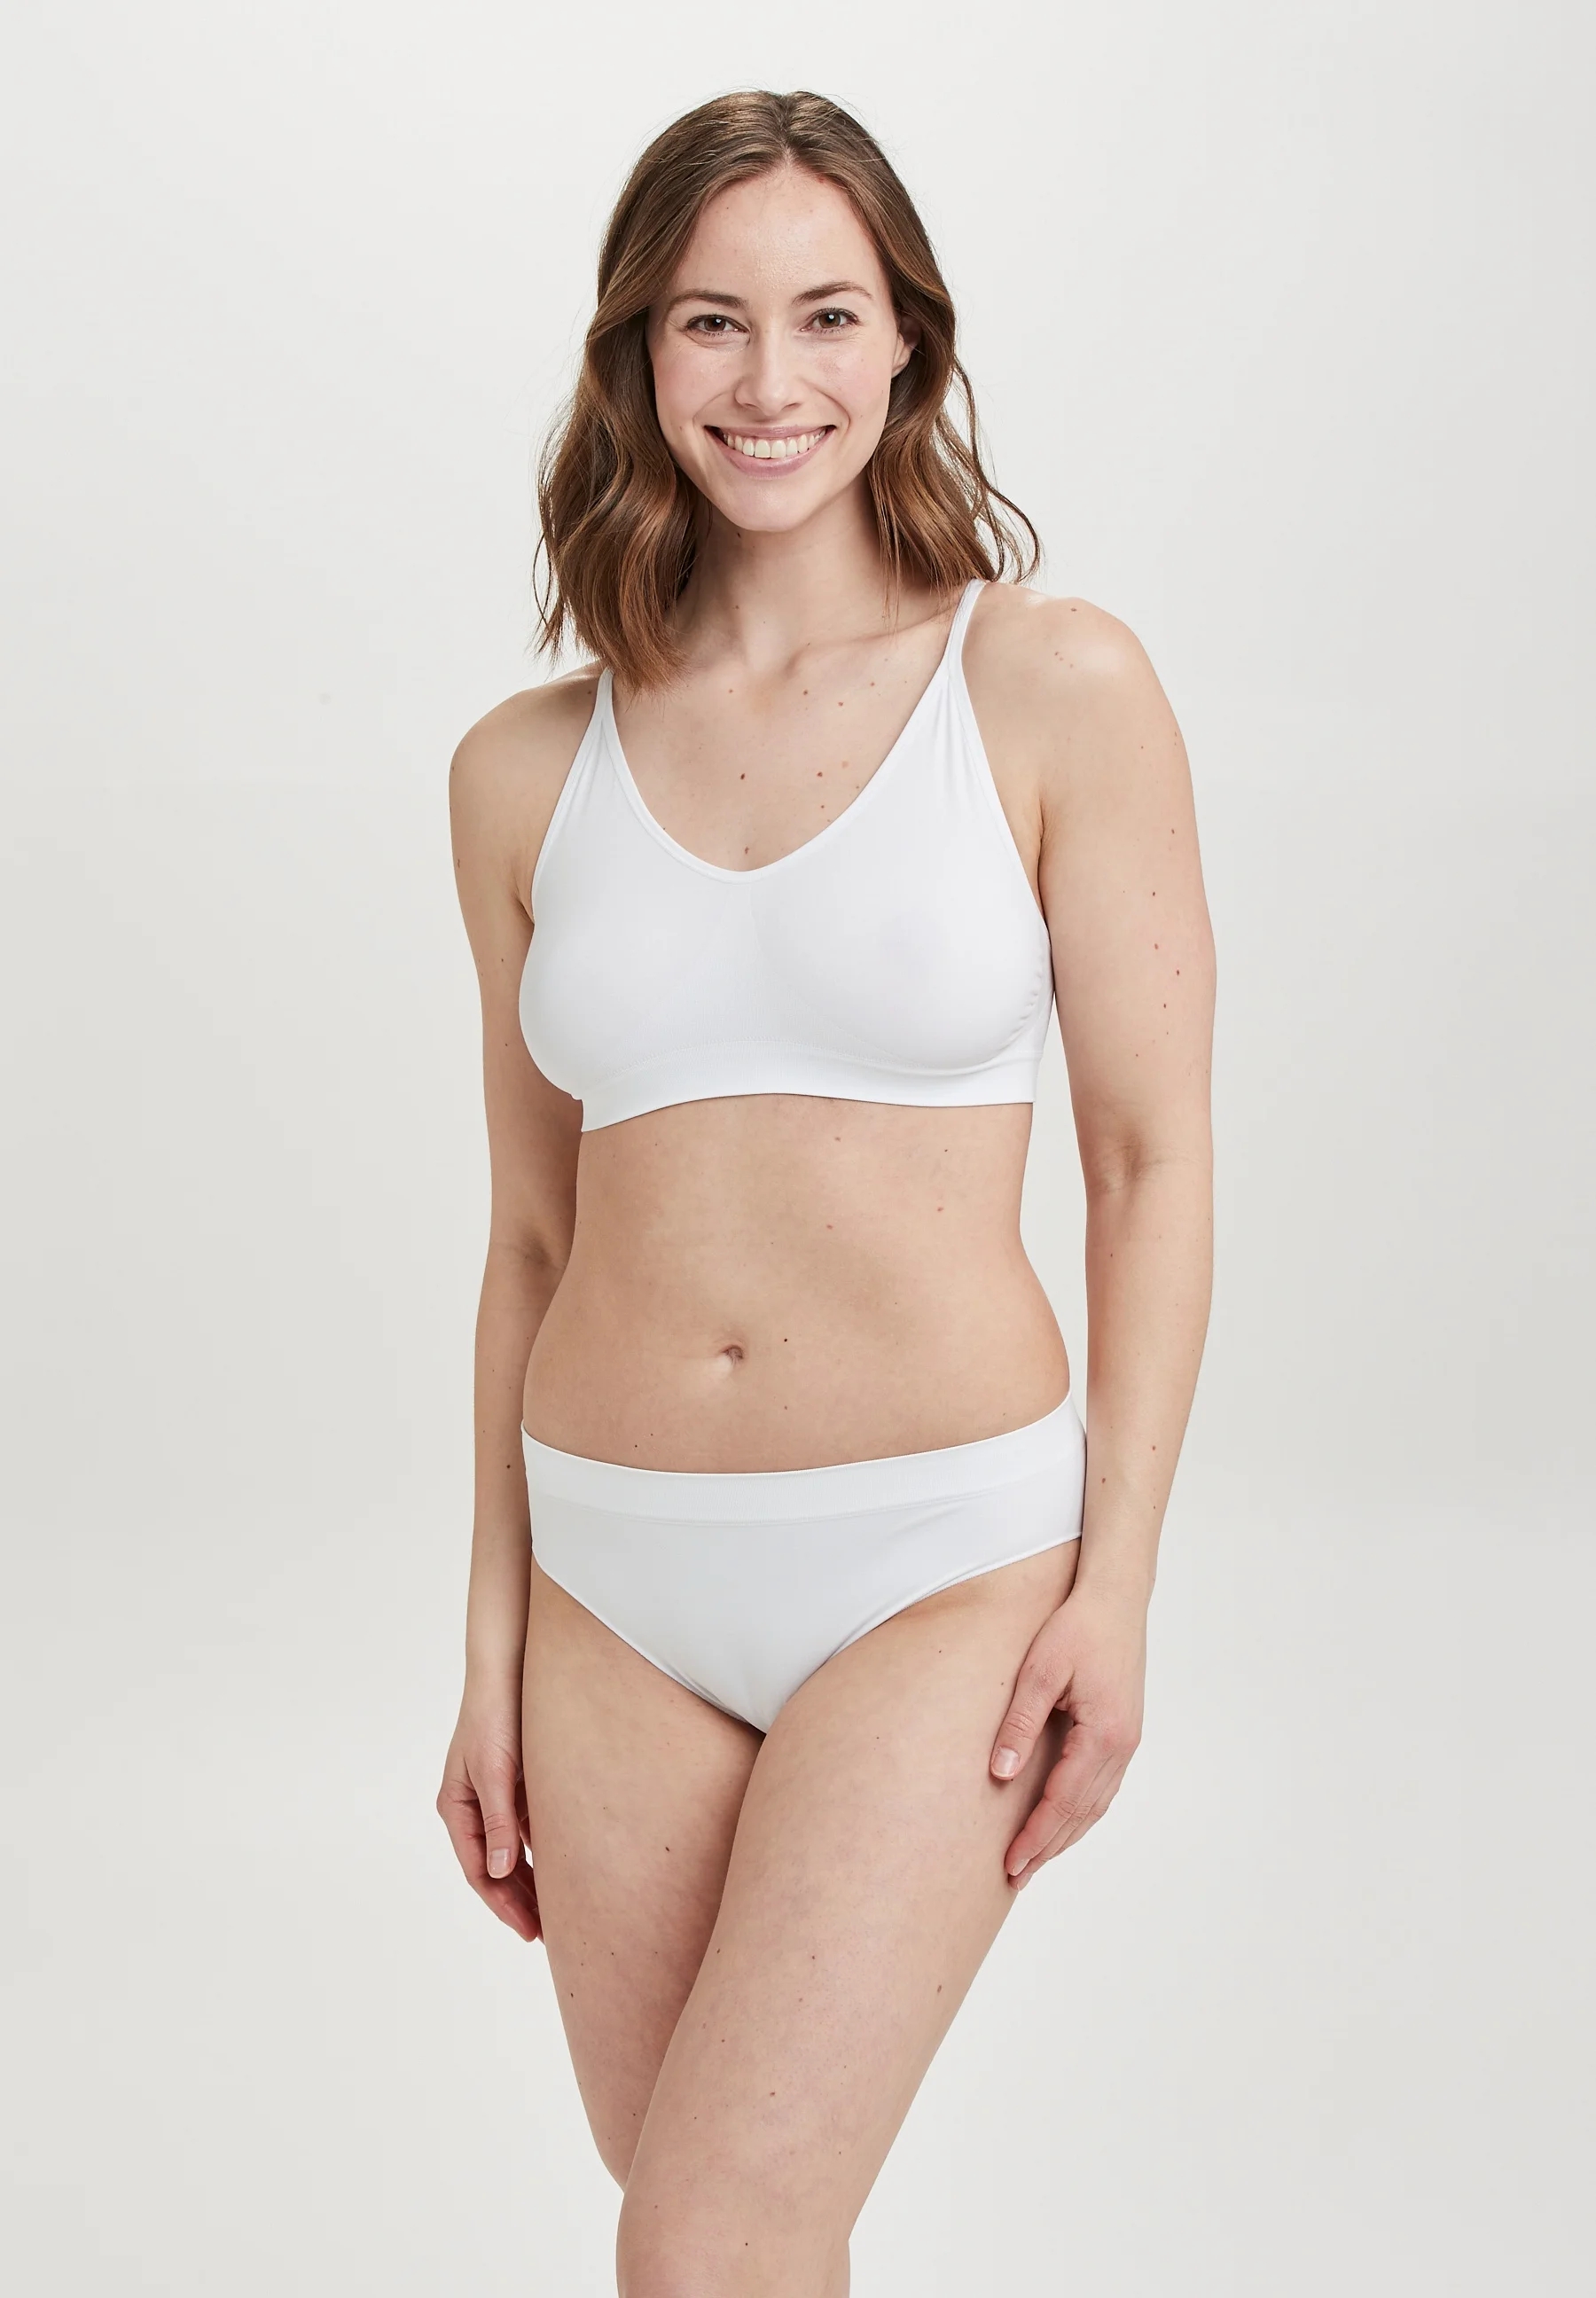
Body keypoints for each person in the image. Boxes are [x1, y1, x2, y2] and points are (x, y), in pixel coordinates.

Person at [438, 87, 1215, 2296]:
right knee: (720, 2229)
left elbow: (1154, 1163)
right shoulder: (522, 771)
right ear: (638, 355)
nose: (767, 379)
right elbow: (529, 1239)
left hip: (938, 1564)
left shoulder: (1048, 685)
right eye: (709, 321)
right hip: (610, 1585)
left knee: (712, 2235)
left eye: (825, 316)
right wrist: (490, 1647)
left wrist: (1120, 1588)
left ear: (907, 345)